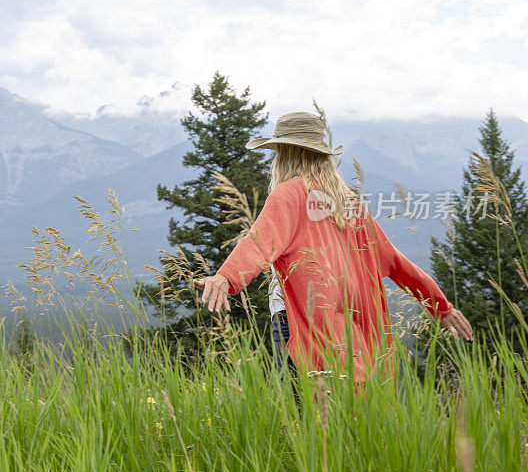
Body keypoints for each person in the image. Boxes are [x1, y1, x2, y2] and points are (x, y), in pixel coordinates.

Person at [195, 111, 472, 379]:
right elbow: (398, 263)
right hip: (349, 328)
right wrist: (441, 306)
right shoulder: (348, 201)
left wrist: (225, 277)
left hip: (300, 324)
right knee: (342, 410)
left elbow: (258, 243)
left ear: (286, 154)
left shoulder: (287, 194)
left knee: (302, 415)